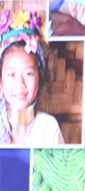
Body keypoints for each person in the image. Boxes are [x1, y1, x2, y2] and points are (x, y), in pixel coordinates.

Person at [0, 10, 65, 146]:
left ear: (39, 77)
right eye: (11, 75)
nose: (20, 84)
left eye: (28, 74)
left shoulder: (49, 127)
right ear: (0, 82)